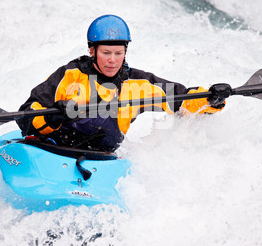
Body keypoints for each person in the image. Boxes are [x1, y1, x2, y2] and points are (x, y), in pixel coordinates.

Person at [17, 15, 231, 152]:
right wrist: (50, 117)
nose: (112, 60)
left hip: (101, 158)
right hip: (52, 149)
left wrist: (213, 98)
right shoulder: (70, 75)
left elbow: (184, 99)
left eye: (119, 53)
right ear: (92, 51)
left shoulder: (137, 84)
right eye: (106, 53)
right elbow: (26, 114)